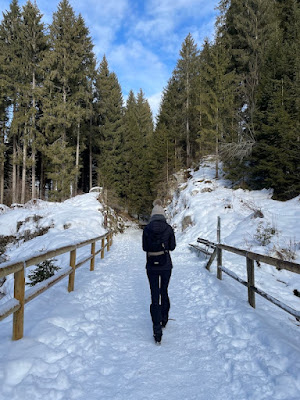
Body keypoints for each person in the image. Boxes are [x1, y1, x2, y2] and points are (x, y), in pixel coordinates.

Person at [142, 199, 176, 343]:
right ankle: (164, 319)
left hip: (151, 265)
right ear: (163, 215)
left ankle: (157, 330)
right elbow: (173, 246)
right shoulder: (168, 228)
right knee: (164, 291)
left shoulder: (147, 228)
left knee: (154, 294)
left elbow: (144, 247)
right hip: (166, 264)